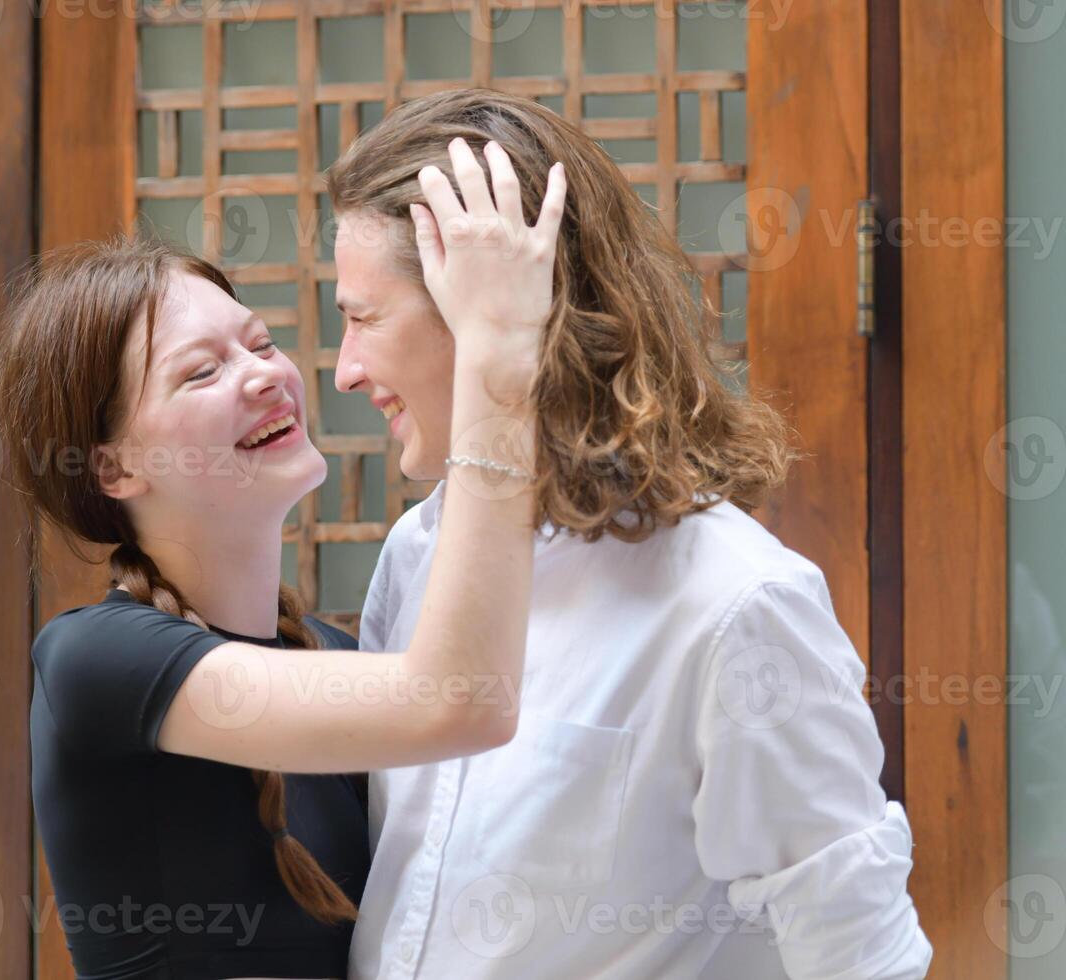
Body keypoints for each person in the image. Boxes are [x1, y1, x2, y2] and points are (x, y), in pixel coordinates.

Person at [326, 88, 933, 979]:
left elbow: (859, 959)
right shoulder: (418, 555)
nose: (343, 371)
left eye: (361, 317)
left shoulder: (736, 607)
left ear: (486, 307)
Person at [0, 141, 567, 979]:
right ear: (112, 467)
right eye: (202, 372)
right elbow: (458, 701)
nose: (263, 376)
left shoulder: (333, 655)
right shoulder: (95, 662)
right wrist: (497, 352)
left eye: (258, 342)